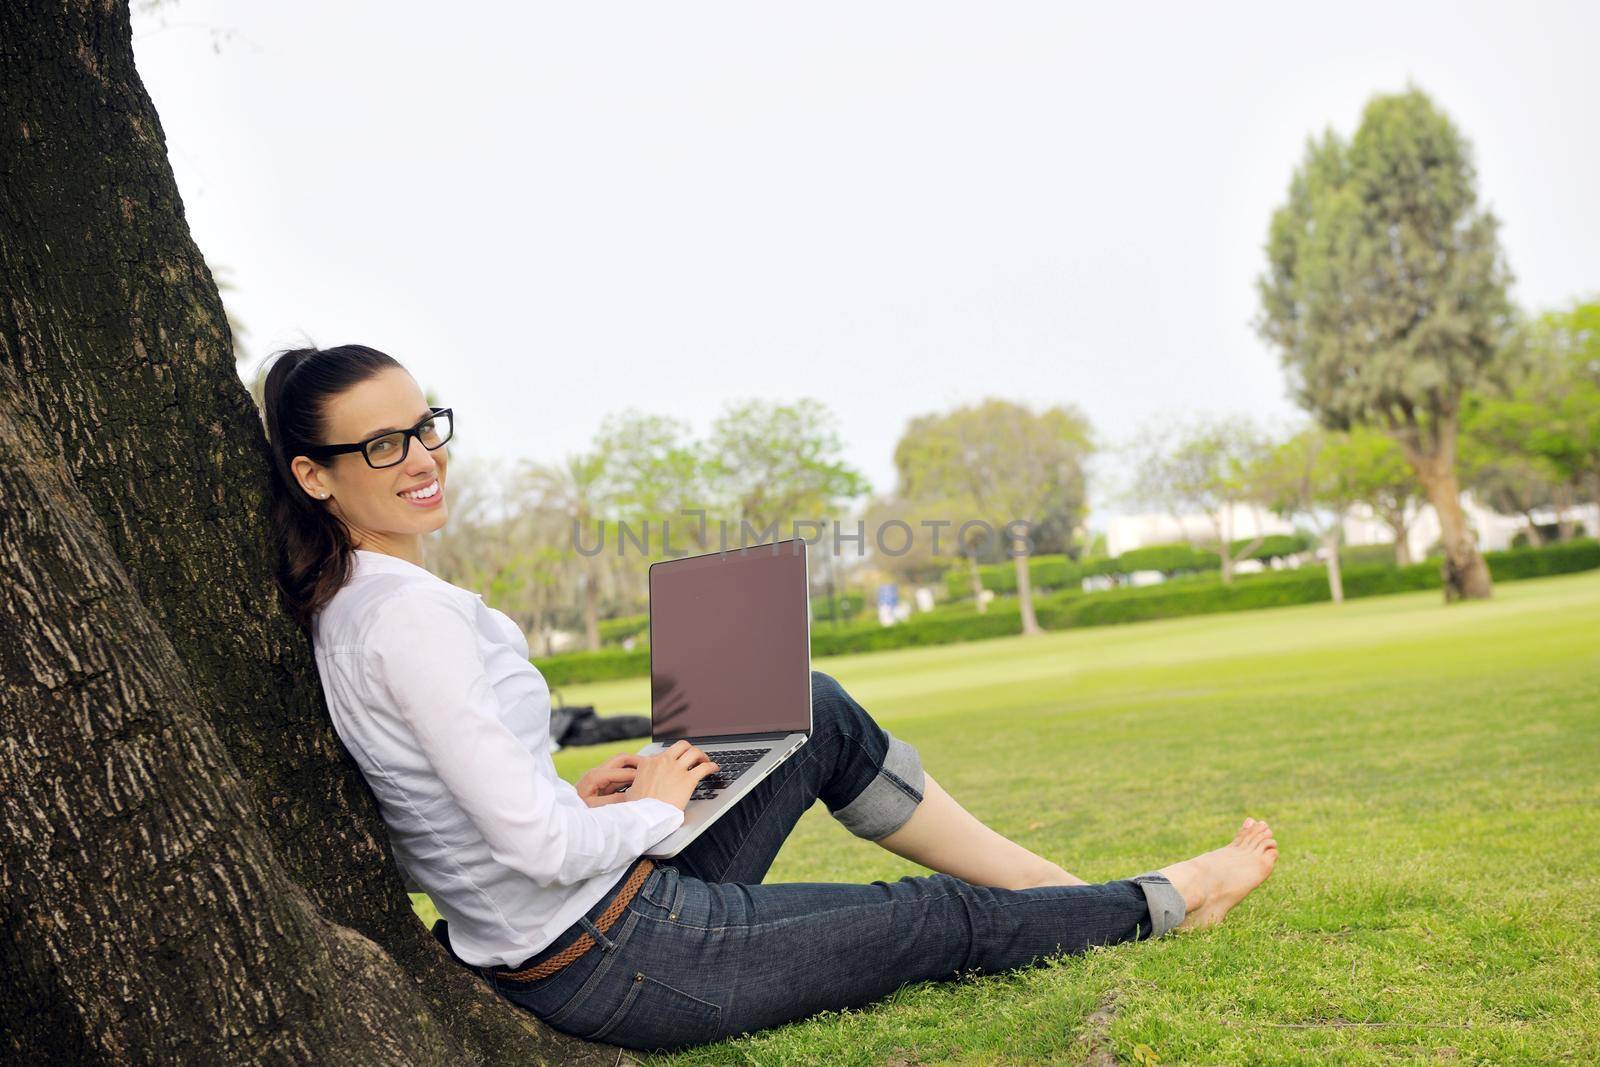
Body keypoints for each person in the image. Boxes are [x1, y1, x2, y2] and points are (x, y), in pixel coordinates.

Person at [261, 344, 1279, 1054]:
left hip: (597, 906)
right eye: (381, 446)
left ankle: (1051, 891)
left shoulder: (362, 607)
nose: (423, 459)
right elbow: (525, 851)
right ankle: (1171, 896)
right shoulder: (410, 618)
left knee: (807, 707)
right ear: (314, 474)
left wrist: (582, 796)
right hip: (609, 952)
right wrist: (655, 808)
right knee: (928, 922)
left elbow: (448, 812)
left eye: (423, 426)